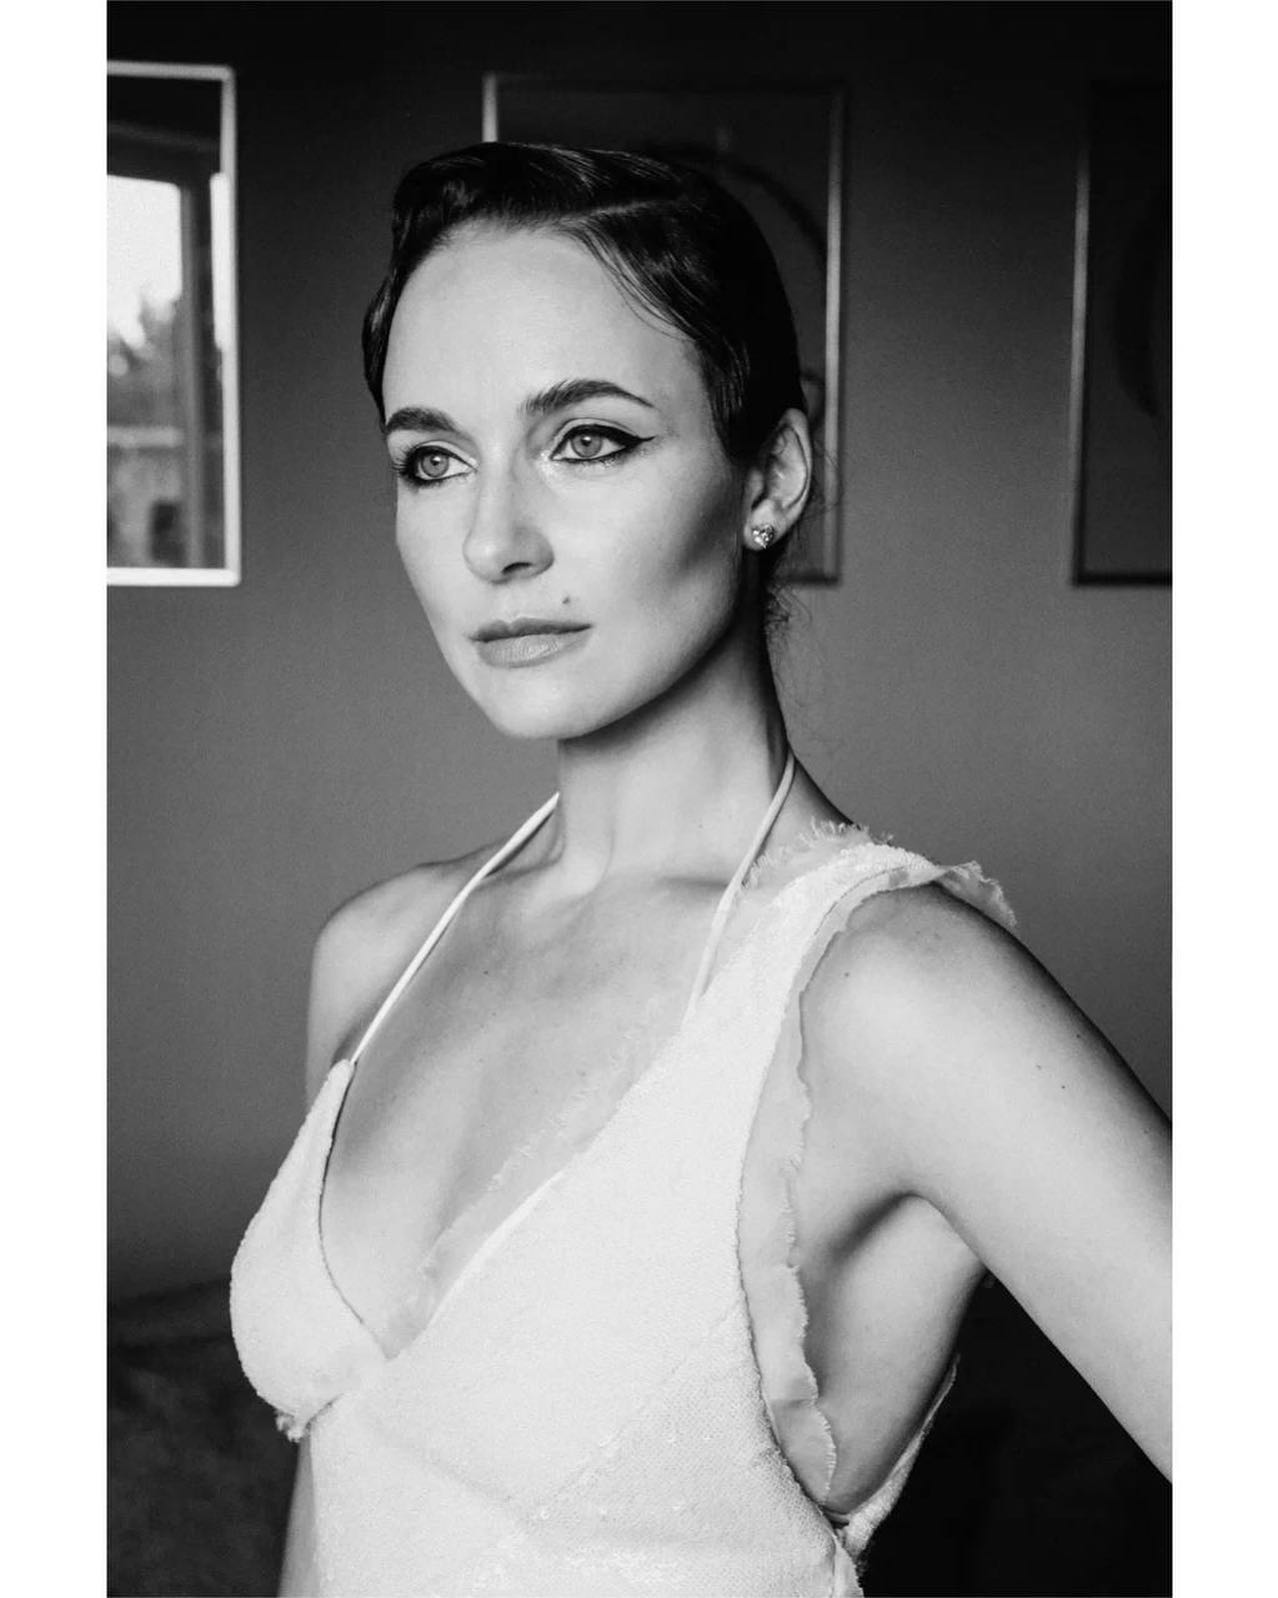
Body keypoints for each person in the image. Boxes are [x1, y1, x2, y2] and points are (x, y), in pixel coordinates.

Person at [230, 142, 1170, 1598]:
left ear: (769, 476)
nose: (492, 539)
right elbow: (343, 1492)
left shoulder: (888, 996)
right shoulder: (376, 953)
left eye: (587, 440)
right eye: (433, 460)